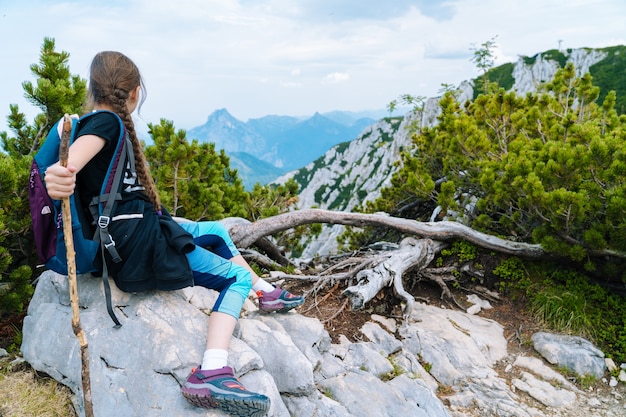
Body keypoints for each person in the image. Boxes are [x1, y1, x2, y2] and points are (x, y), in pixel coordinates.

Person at [43, 50, 304, 417]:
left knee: (214, 230)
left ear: (93, 88)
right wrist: (60, 175)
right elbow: (67, 168)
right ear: (134, 93)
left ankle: (265, 292)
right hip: (136, 246)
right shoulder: (105, 123)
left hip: (137, 230)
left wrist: (63, 173)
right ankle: (212, 371)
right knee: (234, 280)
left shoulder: (102, 121)